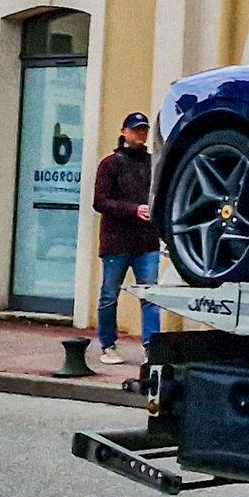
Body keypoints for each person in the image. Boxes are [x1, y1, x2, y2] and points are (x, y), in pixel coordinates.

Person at [91, 111, 159, 366]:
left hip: (147, 241)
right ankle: (108, 345)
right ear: (124, 132)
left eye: (143, 130)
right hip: (116, 242)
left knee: (150, 295)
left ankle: (152, 347)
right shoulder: (110, 164)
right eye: (135, 130)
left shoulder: (153, 163)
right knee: (109, 295)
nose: (140, 134)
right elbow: (100, 202)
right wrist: (134, 209)